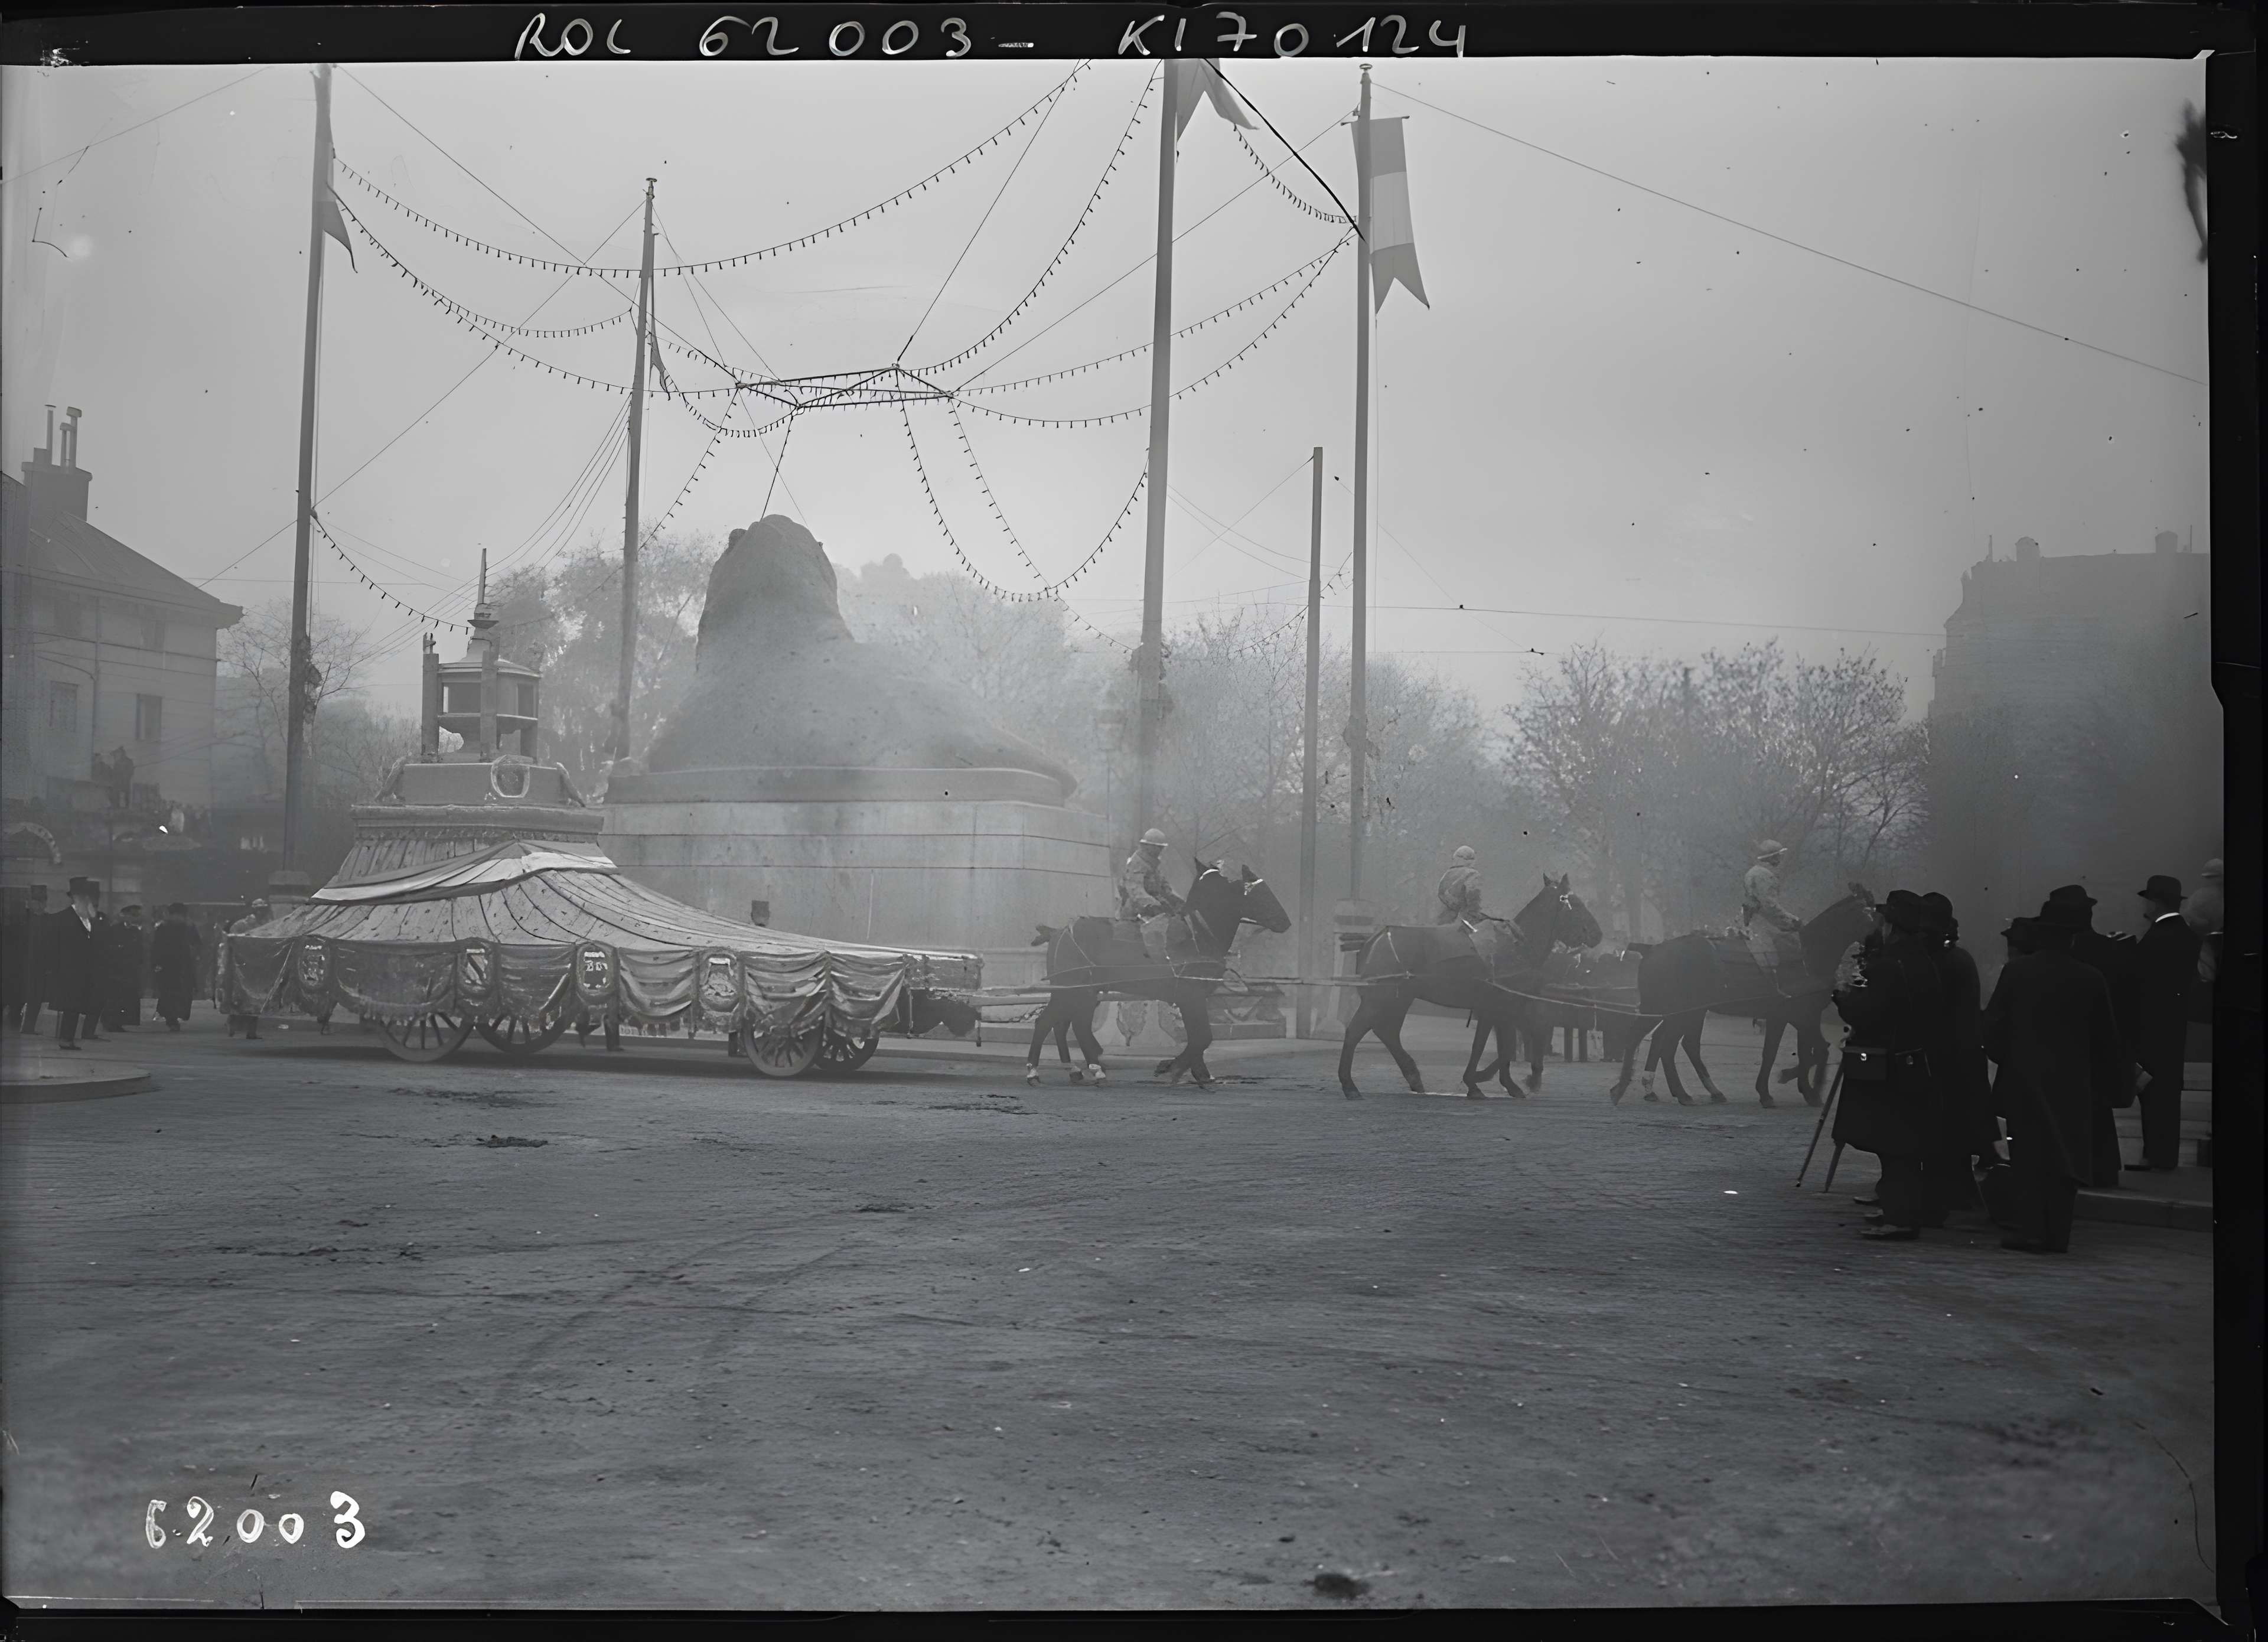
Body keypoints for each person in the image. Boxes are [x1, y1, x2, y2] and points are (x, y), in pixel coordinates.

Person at [1983, 900, 2129, 1253]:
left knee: (2029, 1158)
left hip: (2024, 1080)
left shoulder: (2017, 973)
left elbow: (1994, 1030)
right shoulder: (2090, 978)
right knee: (2066, 1158)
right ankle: (2058, 1233)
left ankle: (2031, 1230)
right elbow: (2106, 1040)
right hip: (2074, 1085)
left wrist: (2007, 1059)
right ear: (2072, 940)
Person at [1830, 890, 1954, 1240]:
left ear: (1893, 926)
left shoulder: (1889, 964)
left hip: (1890, 1064)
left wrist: (1843, 997)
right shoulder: (1923, 961)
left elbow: (1867, 1014)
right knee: (1909, 1140)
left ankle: (1900, 1217)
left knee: (1894, 1143)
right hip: (1916, 1059)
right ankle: (1905, 1209)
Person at [2044, 884, 2136, 1189]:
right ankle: (2103, 1168)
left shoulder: (2053, 956)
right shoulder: (2112, 949)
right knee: (2097, 1110)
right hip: (2100, 1042)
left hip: (2061, 1045)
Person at [1919, 891, 1991, 1214]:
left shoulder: (1943, 962)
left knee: (1944, 1132)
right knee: (1955, 1133)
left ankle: (1940, 1202)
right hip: (1963, 1056)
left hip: (1946, 1058)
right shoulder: (1959, 959)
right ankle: (1956, 1195)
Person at [2128, 874, 2201, 1173]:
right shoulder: (2186, 935)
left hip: (2151, 1026)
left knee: (2152, 1090)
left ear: (2155, 902)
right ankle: (2164, 1154)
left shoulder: (2155, 938)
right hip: (2174, 1025)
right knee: (2169, 1092)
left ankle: (2154, 1154)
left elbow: (2140, 982)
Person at [46, 878, 107, 1050]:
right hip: (69, 971)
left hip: (86, 971)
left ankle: (69, 1038)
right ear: (75, 898)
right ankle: (66, 1039)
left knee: (77, 1006)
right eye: (82, 897)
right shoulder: (63, 919)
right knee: (70, 1006)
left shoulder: (91, 918)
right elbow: (54, 947)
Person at [1742, 841, 1804, 989]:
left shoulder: (1753, 871)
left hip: (1753, 919)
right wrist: (1792, 920)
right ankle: (1779, 987)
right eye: (1778, 856)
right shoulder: (1765, 875)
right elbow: (1769, 906)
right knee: (1793, 946)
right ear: (1772, 858)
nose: (1780, 860)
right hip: (1764, 922)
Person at [1117, 828, 1181, 963]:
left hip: (1154, 908)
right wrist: (1152, 904)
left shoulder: (1153, 864)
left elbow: (1165, 886)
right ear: (1147, 846)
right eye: (1157, 847)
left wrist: (1177, 901)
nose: (1159, 851)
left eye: (1161, 848)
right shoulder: (1136, 863)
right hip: (1135, 912)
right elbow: (1135, 889)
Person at [226, 898, 272, 1040]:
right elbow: (232, 944)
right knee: (240, 999)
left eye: (263, 910)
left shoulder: (268, 925)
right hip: (243, 967)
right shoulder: (240, 925)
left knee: (256, 1000)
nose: (261, 912)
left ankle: (251, 1031)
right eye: (259, 910)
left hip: (258, 967)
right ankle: (232, 1023)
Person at [151, 904, 202, 1031]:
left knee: (179, 993)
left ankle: (174, 1017)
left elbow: (198, 944)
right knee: (171, 992)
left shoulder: (186, 927)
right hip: (171, 964)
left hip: (182, 964)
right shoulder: (165, 927)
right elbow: (156, 946)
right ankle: (172, 1019)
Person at [105, 905, 146, 1030]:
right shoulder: (114, 930)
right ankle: (112, 1022)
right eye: (132, 915)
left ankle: (122, 1021)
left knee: (128, 996)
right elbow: (110, 949)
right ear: (124, 915)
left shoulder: (136, 932)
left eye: (136, 916)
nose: (134, 918)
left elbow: (140, 950)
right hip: (117, 969)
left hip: (131, 969)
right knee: (116, 996)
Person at [1436, 846, 1484, 926]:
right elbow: (1474, 898)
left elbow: (1441, 894)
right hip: (1464, 922)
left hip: (1446, 920)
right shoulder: (1473, 874)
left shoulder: (1447, 875)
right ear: (1470, 860)